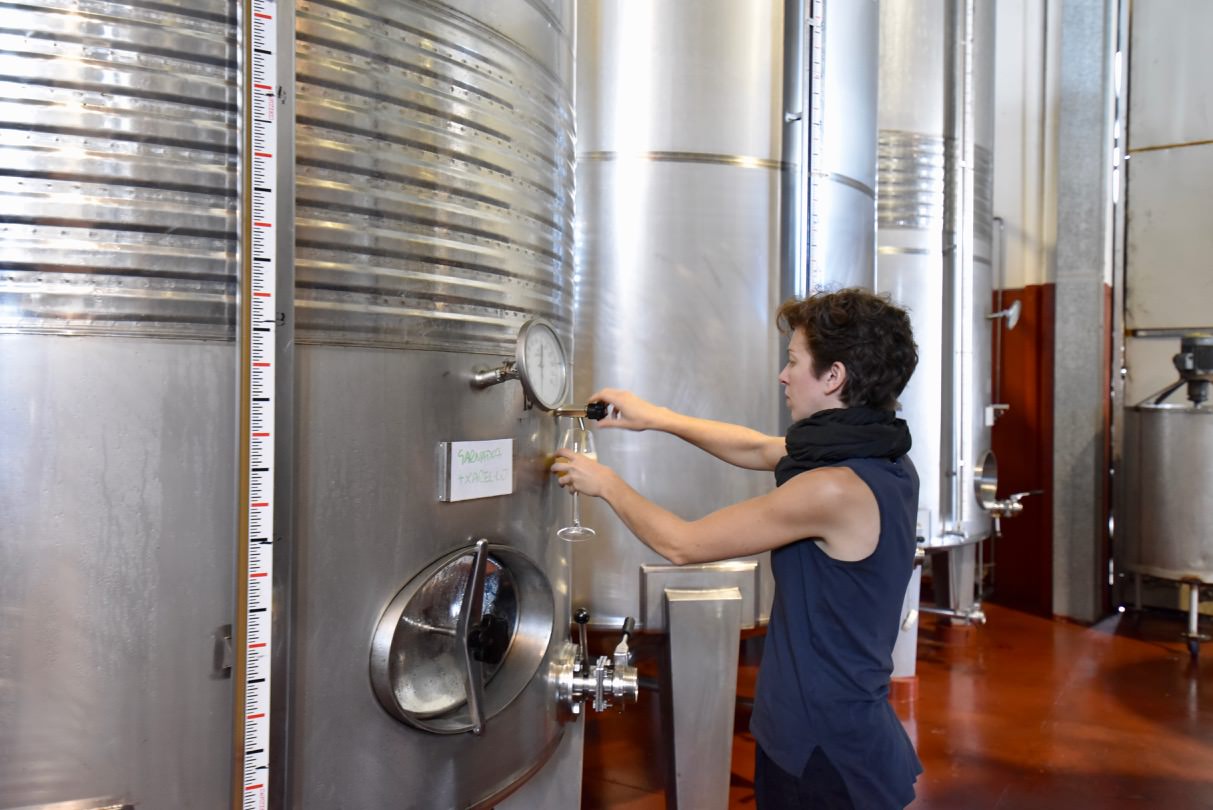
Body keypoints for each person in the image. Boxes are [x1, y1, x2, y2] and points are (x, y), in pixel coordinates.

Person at [551, 288, 923, 809]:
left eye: (794, 362)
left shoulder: (834, 488)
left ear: (834, 376)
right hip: (843, 725)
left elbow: (681, 544)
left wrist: (604, 483)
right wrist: (654, 416)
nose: (783, 375)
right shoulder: (882, 454)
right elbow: (757, 447)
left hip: (822, 748)